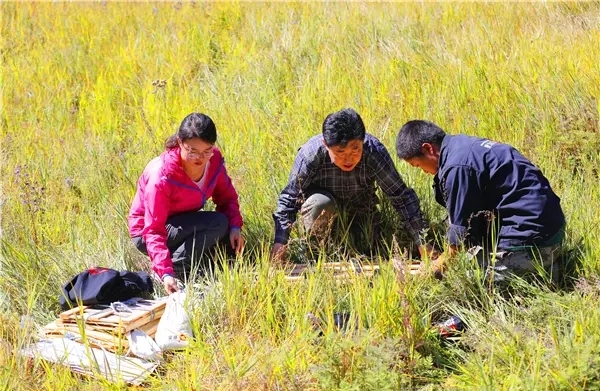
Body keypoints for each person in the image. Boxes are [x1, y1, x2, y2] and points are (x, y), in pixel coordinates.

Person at [395, 120, 566, 283]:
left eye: (418, 165)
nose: (424, 172)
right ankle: (544, 266)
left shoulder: (457, 167)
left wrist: (432, 270)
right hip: (550, 232)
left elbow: (459, 237)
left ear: (428, 149)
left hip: (532, 241)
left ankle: (534, 269)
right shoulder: (462, 146)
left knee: (463, 280)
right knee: (469, 259)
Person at [271, 108, 431, 262]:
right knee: (320, 203)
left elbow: (401, 197)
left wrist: (422, 242)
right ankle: (315, 256)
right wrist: (280, 243)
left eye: (355, 151)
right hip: (322, 212)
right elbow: (289, 199)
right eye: (340, 153)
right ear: (325, 144)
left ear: (363, 141)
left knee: (367, 248)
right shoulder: (310, 154)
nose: (348, 159)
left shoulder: (373, 151)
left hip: (360, 211)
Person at [128, 112, 244, 294]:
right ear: (180, 143)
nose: (200, 158)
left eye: (207, 151)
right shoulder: (162, 176)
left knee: (226, 229)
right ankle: (174, 270)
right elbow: (153, 230)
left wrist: (235, 227)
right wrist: (166, 272)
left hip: (181, 221)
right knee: (218, 223)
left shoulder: (213, 160)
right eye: (193, 151)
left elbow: (227, 198)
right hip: (146, 232)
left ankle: (198, 265)